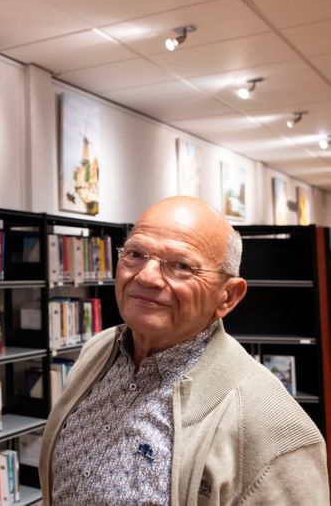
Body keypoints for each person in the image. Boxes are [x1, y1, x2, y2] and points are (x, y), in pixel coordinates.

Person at [41, 196, 328, 504]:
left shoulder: (271, 426)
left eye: (181, 266)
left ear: (228, 297)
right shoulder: (97, 351)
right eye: (136, 254)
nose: (146, 276)